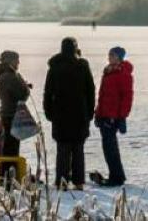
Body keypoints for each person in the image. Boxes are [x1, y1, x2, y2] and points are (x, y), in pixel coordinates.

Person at [43, 36, 96, 189]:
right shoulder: (82, 66)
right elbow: (90, 90)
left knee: (63, 149)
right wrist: (90, 111)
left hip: (60, 114)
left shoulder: (54, 67)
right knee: (78, 149)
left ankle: (62, 181)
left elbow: (48, 92)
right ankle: (78, 182)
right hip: (80, 114)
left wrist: (48, 111)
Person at [90, 46, 134, 188]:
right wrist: (98, 113)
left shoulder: (123, 74)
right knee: (108, 147)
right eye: (109, 54)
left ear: (119, 58)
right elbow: (102, 96)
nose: (109, 57)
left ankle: (116, 176)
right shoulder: (109, 72)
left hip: (113, 116)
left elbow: (127, 97)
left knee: (110, 147)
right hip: (104, 114)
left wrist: (122, 117)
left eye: (112, 55)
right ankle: (116, 174)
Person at [0, 50, 30, 159]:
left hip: (7, 113)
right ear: (10, 61)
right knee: (11, 148)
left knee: (9, 145)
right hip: (11, 115)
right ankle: (9, 171)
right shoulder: (10, 76)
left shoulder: (6, 75)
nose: (18, 62)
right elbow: (21, 96)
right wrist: (26, 88)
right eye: (16, 60)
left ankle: (8, 170)